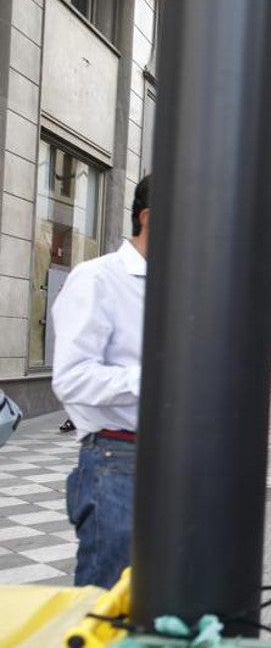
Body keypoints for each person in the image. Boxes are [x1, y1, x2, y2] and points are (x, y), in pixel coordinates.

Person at [52, 175, 149, 588]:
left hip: (178, 461)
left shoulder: (184, 285)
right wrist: (163, 380)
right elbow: (72, 378)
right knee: (106, 600)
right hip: (117, 460)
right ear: (149, 218)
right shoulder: (98, 278)